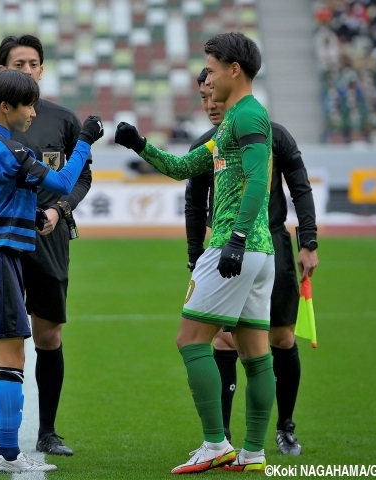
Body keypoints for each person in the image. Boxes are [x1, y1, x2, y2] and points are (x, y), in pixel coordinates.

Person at [115, 32, 275, 473]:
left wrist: (237, 239)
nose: (207, 76)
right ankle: (254, 452)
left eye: (211, 67)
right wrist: (139, 145)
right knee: (255, 354)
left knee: (190, 340)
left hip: (234, 244)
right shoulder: (233, 123)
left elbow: (260, 181)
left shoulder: (247, 116)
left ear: (233, 70)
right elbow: (186, 168)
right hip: (260, 254)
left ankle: (214, 443)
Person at [0, 69, 103, 473]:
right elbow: (61, 182)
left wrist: (21, 210)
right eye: (29, 104)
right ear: (7, 107)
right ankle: (8, 453)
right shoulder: (11, 150)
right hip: (0, 259)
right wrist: (85, 141)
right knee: (12, 359)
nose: (34, 112)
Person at [185, 70, 320, 455]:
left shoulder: (273, 134)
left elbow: (300, 187)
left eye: (214, 95)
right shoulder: (207, 144)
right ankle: (221, 437)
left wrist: (308, 242)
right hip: (223, 251)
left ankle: (285, 426)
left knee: (281, 338)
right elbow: (194, 205)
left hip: (269, 245)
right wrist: (195, 256)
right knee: (225, 342)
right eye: (203, 97)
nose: (210, 104)